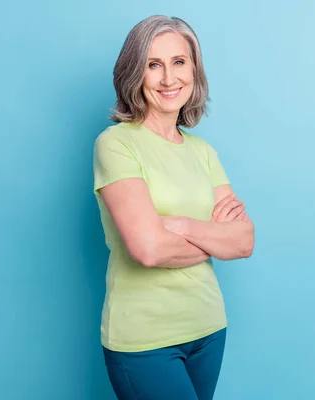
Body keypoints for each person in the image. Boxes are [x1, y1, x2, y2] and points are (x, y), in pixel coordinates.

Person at [92, 15, 255, 400]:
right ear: (135, 73)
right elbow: (148, 249)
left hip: (209, 328)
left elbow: (244, 241)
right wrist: (215, 237)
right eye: (154, 64)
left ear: (194, 70)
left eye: (179, 62)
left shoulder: (203, 152)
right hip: (144, 340)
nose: (169, 78)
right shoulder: (116, 144)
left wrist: (176, 225)